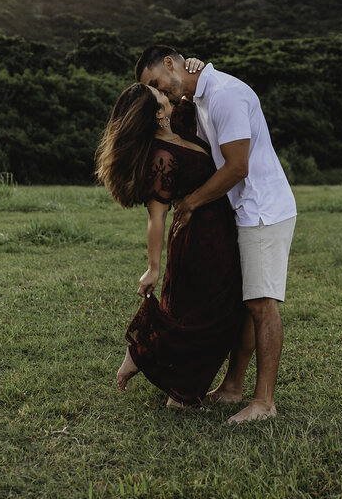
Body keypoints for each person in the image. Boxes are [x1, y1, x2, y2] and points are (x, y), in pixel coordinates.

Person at [136, 46, 296, 424]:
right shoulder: (200, 94)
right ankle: (232, 388)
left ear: (172, 64)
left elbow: (238, 167)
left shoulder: (224, 95)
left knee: (262, 305)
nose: (160, 92)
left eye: (157, 83)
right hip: (242, 211)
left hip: (262, 210)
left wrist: (191, 202)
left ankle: (264, 403)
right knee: (246, 305)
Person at [94, 83, 245, 408]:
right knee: (205, 316)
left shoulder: (179, 126)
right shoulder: (161, 157)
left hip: (218, 230)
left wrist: (192, 71)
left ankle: (142, 358)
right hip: (196, 240)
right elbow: (156, 217)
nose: (164, 90)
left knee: (213, 311)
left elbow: (191, 92)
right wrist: (152, 268)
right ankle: (179, 391)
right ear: (157, 113)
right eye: (159, 94)